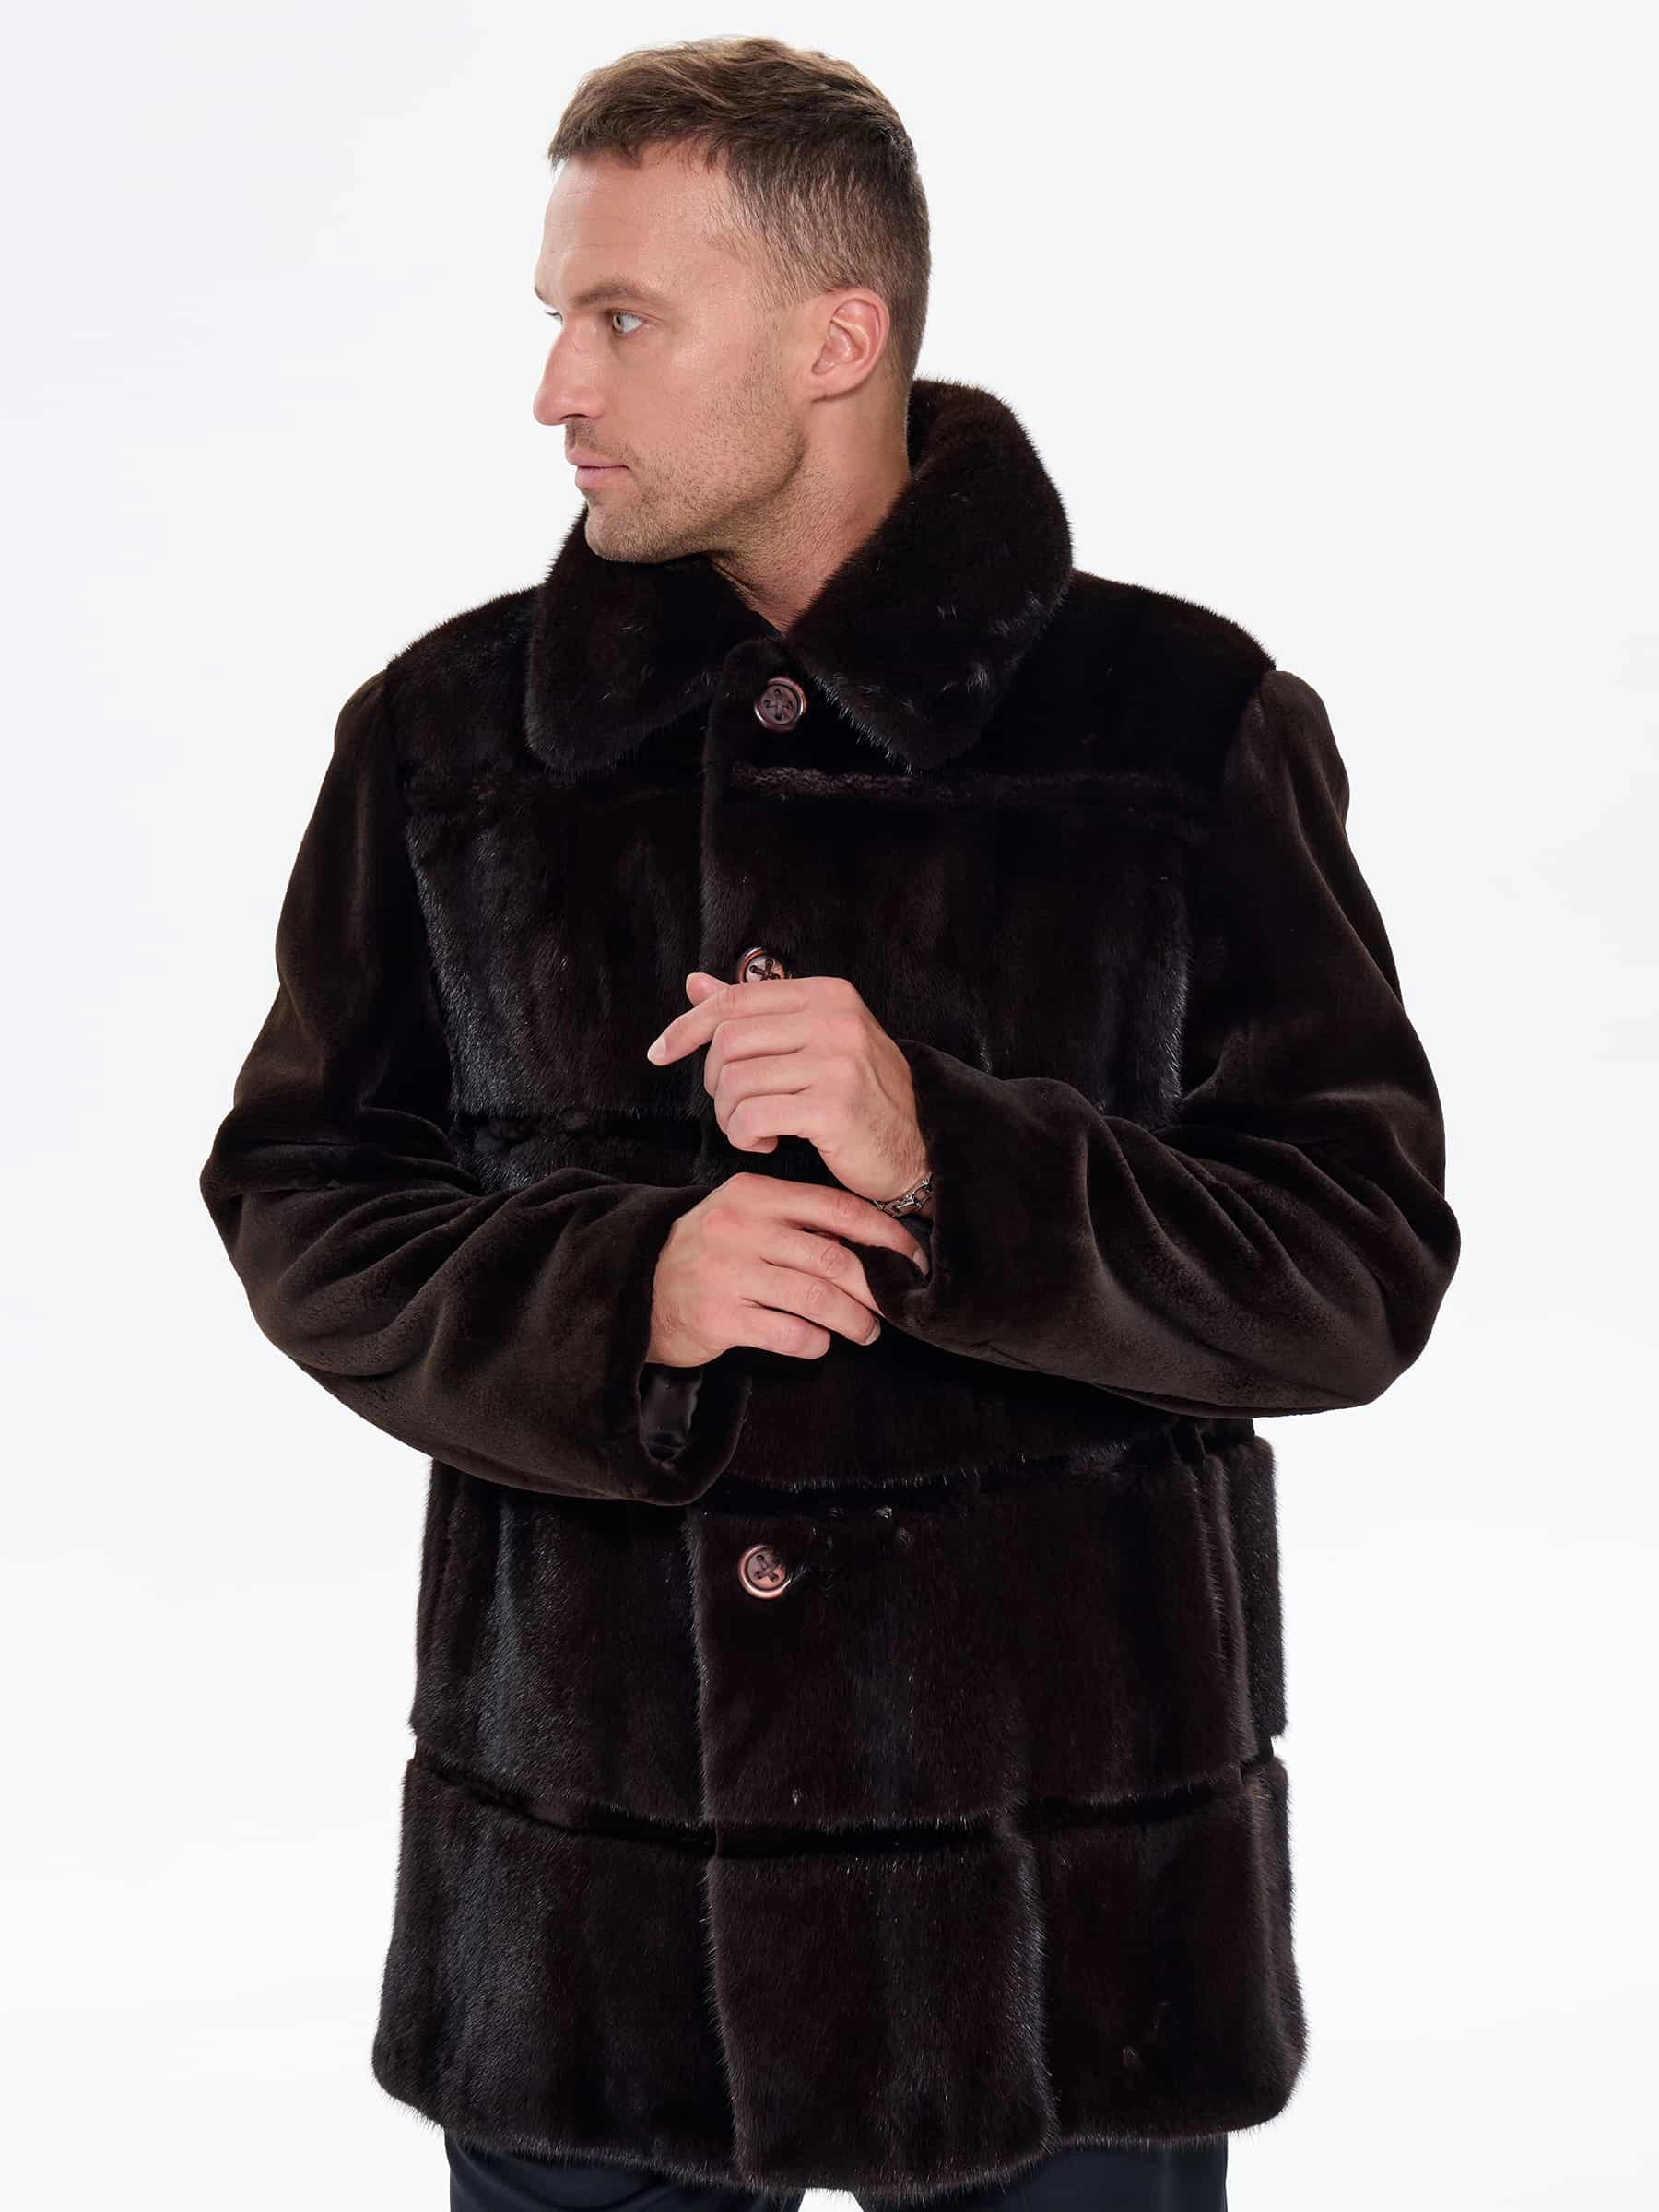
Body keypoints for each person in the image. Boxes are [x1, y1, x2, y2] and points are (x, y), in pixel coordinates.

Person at [200, 34, 1460, 2212]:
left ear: (836, 337)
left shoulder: (1180, 732)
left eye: (623, 319)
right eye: (557, 317)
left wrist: (953, 1154)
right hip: (592, 1943)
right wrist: (621, 1292)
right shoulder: (445, 740)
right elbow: (302, 1192)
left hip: (1065, 1957)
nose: (556, 389)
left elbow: (1354, 1270)